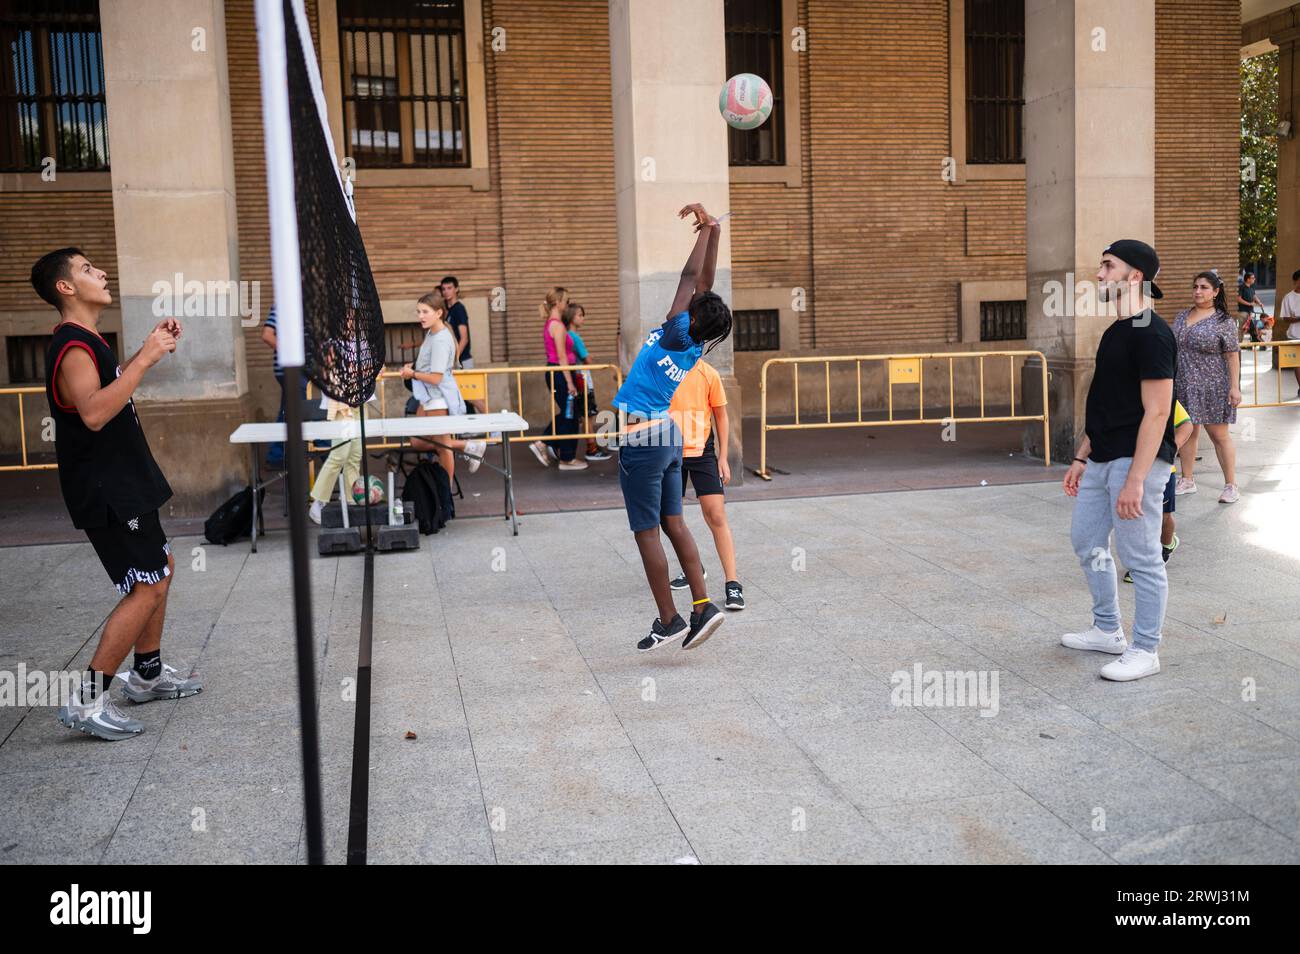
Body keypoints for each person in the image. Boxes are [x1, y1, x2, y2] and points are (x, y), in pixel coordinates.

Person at [32, 248, 202, 741]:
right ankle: (87, 702)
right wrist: (147, 358)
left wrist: (147, 347)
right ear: (65, 288)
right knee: (146, 584)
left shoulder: (88, 341)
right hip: (108, 489)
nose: (100, 272)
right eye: (86, 269)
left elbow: (108, 391)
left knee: (160, 567)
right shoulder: (73, 346)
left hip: (127, 480)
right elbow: (94, 413)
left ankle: (146, 673)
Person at [613, 203, 732, 652]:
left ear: (691, 318)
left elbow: (689, 281)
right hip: (668, 435)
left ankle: (669, 618)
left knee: (647, 531)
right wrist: (713, 231)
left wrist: (701, 234)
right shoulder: (695, 341)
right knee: (674, 522)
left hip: (644, 439)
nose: (688, 302)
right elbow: (703, 286)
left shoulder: (674, 331)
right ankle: (703, 606)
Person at [1061, 239, 1176, 682]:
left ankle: (1146, 649)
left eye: (1107, 266)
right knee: (1087, 540)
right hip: (1103, 456)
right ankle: (1108, 629)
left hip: (1138, 462)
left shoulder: (1152, 333)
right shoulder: (1116, 331)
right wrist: (1081, 456)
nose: (1099, 274)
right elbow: (1107, 404)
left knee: (1141, 556)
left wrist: (1136, 479)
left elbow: (1159, 411)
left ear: (1134, 277)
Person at [666, 359, 744, 610]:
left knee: (716, 515)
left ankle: (733, 583)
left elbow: (721, 416)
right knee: (669, 518)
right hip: (669, 452)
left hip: (703, 453)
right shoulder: (664, 370)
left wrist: (723, 458)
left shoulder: (708, 373)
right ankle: (693, 565)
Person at [401, 292, 486, 486]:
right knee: (417, 442)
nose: (420, 316)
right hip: (428, 397)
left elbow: (436, 377)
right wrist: (414, 366)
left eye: (425, 312)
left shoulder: (440, 339)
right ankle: (469, 446)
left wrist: (412, 374)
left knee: (443, 445)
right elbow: (429, 365)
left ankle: (445, 492)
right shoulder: (432, 332)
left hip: (437, 397)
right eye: (418, 312)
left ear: (438, 313)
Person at [1173, 271, 1242, 504]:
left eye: (1203, 287)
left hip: (1214, 385)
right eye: (1195, 287)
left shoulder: (1224, 322)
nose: (1198, 291)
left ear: (1215, 292)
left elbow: (1233, 356)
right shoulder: (1182, 315)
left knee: (1218, 435)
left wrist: (1235, 387)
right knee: (1188, 432)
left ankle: (1231, 485)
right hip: (1183, 384)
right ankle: (1187, 479)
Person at [1124, 400, 1192, 584]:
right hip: (1130, 468)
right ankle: (1142, 562)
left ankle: (1167, 545)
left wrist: (1169, 449)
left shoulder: (1163, 395)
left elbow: (1186, 425)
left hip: (1162, 470)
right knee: (1138, 518)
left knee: (1162, 517)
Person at [528, 287, 586, 471]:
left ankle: (547, 444)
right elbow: (561, 357)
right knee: (571, 414)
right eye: (567, 301)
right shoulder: (558, 326)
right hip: (560, 372)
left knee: (569, 412)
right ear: (559, 302)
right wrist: (570, 383)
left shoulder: (551, 323)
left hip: (557, 372)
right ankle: (565, 458)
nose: (567, 305)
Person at [563, 302, 611, 462]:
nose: (583, 319)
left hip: (577, 377)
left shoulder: (566, 336)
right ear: (571, 317)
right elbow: (587, 359)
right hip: (581, 377)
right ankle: (591, 447)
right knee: (587, 414)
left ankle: (591, 446)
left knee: (583, 414)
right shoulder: (574, 337)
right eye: (580, 315)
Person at [1280, 268, 1300, 397]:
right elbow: (1285, 318)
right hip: (1295, 335)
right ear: (1295, 281)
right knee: (1297, 363)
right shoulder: (1288, 297)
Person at [1236, 271, 1271, 342]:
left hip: (1250, 312)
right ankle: (1239, 344)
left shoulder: (1251, 287)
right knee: (1242, 328)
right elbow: (1238, 298)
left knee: (1252, 328)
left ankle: (1253, 342)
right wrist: (1249, 304)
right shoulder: (1241, 287)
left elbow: (1254, 296)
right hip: (1243, 311)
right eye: (1252, 278)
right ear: (1248, 279)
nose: (1254, 279)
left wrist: (1259, 302)